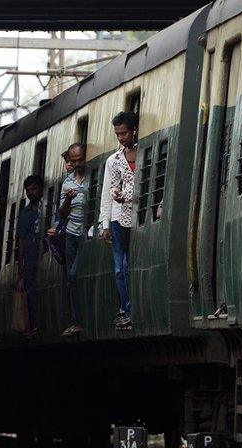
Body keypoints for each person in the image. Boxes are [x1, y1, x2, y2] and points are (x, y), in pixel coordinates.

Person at [100, 111, 138, 331]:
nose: (121, 138)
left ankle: (133, 307)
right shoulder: (113, 161)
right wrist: (105, 224)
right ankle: (125, 309)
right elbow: (107, 192)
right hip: (117, 218)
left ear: (133, 130)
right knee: (119, 267)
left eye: (124, 133)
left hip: (136, 216)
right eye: (118, 134)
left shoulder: (145, 153)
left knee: (131, 264)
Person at [48, 143, 88, 337]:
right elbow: (62, 214)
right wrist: (68, 200)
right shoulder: (67, 183)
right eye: (74, 161)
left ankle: (78, 320)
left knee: (75, 274)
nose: (78, 164)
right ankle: (76, 320)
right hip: (72, 234)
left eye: (81, 160)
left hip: (86, 234)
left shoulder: (92, 178)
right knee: (71, 276)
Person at [16, 175, 44, 336]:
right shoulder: (25, 213)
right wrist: (20, 264)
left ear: (40, 189)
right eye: (28, 191)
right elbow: (21, 239)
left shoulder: (45, 207)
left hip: (42, 251)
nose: (31, 193)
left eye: (34, 189)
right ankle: (33, 324)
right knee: (31, 292)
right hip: (30, 255)